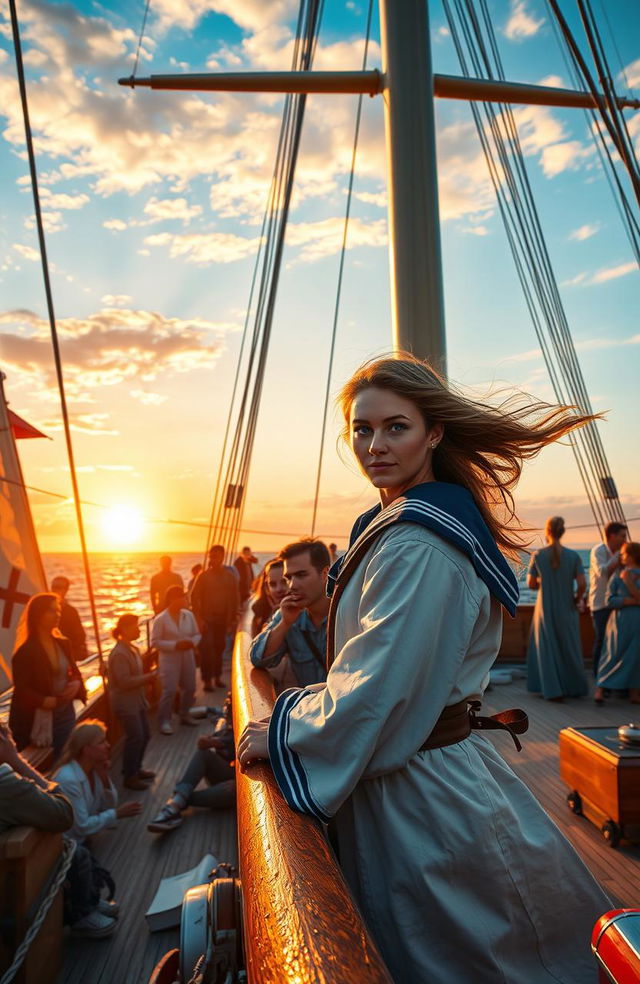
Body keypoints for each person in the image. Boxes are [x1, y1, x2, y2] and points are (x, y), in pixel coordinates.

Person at [238, 353, 609, 984]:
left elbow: (379, 688)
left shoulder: (417, 544)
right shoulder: (404, 524)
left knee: (478, 958)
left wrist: (281, 728)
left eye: (395, 427)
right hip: (417, 774)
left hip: (427, 793)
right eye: (362, 429)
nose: (374, 445)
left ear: (433, 432)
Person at [0, 722, 114, 939]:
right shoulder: (5, 783)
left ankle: (88, 899)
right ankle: (82, 913)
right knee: (76, 854)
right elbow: (64, 814)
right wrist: (15, 761)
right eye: (11, 741)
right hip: (9, 887)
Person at [55, 721, 141, 933]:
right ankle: (83, 913)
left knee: (86, 855)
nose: (108, 745)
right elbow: (82, 826)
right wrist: (117, 814)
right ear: (87, 749)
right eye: (101, 742)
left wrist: (104, 777)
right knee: (82, 857)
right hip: (63, 846)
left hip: (80, 842)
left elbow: (108, 804)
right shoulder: (68, 779)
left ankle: (91, 901)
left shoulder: (91, 771)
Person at [9, 593, 87, 760]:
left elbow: (74, 671)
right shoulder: (26, 652)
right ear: (38, 614)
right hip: (42, 718)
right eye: (52, 611)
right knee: (53, 761)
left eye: (58, 611)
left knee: (68, 757)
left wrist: (75, 682)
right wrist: (44, 701)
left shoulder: (63, 643)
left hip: (66, 712)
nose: (58, 615)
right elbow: (22, 690)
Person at [147, 697, 235, 833]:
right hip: (230, 773)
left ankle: (176, 803)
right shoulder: (228, 724)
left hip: (242, 785)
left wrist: (218, 742)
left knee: (233, 791)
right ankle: (178, 802)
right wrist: (216, 740)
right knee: (203, 753)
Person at [249, 540, 330, 686]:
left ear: (325, 574)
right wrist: (285, 623)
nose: (292, 585)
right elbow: (257, 658)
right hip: (310, 706)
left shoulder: (349, 612)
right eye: (289, 578)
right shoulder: (288, 615)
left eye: (301, 575)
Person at [526, 516, 589, 702]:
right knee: (569, 647)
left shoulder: (537, 555)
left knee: (547, 648)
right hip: (567, 607)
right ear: (562, 532)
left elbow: (530, 584)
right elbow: (582, 583)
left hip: (544, 608)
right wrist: (577, 598)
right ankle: (574, 687)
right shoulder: (574, 556)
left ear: (547, 531)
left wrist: (543, 583)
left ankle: (552, 690)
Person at [107, 614, 156, 790]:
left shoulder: (131, 649)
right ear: (125, 629)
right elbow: (124, 681)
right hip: (126, 704)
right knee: (135, 737)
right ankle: (130, 776)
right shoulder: (120, 653)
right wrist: (149, 677)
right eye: (135, 626)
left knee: (145, 735)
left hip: (137, 701)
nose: (139, 629)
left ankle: (136, 768)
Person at [594, 541, 640, 705]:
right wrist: (630, 601)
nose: (621, 557)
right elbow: (609, 600)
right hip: (619, 621)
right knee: (611, 653)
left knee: (635, 656)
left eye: (624, 554)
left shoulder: (628, 576)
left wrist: (628, 582)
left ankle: (634, 691)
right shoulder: (616, 576)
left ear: (632, 555)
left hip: (637, 622)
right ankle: (600, 688)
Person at [151, 585, 200, 735]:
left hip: (187, 655)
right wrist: (175, 645)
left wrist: (192, 643)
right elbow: (155, 642)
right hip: (169, 659)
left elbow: (197, 634)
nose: (184, 600)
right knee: (170, 690)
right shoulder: (160, 619)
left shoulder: (188, 615)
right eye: (181, 597)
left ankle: (184, 714)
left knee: (190, 687)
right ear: (172, 599)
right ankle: (164, 720)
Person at [191, 545, 239, 691]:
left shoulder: (230, 577)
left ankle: (217, 677)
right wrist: (199, 620)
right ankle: (207, 681)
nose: (212, 559)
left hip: (223, 620)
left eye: (216, 556)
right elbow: (193, 597)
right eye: (211, 556)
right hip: (207, 621)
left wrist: (232, 620)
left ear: (222, 557)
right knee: (206, 650)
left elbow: (234, 599)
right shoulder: (203, 576)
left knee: (219, 648)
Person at [588, 521, 627, 679]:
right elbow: (602, 572)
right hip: (600, 603)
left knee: (617, 642)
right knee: (601, 640)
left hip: (618, 603)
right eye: (622, 536)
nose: (625, 539)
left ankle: (615, 677)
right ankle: (598, 675)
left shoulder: (623, 553)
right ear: (612, 536)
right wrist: (618, 558)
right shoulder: (599, 551)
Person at [51, 575, 88, 665]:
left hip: (66, 657)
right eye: (53, 587)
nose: (55, 590)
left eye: (59, 587)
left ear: (66, 590)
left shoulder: (71, 612)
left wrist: (69, 649)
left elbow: (80, 636)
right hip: (50, 655)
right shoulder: (44, 610)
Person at [250, 558, 288, 636]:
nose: (279, 589)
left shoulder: (307, 614)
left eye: (284, 582)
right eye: (273, 584)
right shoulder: (260, 613)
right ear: (266, 589)